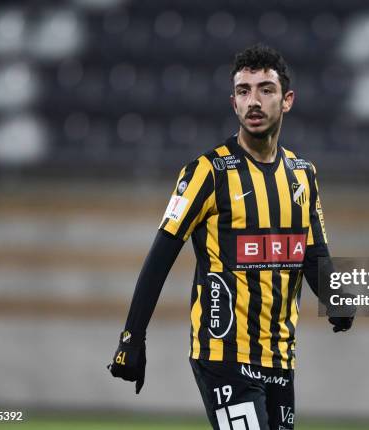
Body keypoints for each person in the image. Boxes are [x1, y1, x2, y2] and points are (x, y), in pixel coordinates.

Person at [108, 44, 353, 430]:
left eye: (265, 90)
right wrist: (131, 338)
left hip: (280, 358)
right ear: (233, 102)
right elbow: (160, 258)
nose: (253, 101)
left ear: (287, 100)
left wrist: (335, 297)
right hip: (222, 355)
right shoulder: (207, 172)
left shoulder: (303, 175)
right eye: (244, 91)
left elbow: (312, 252)